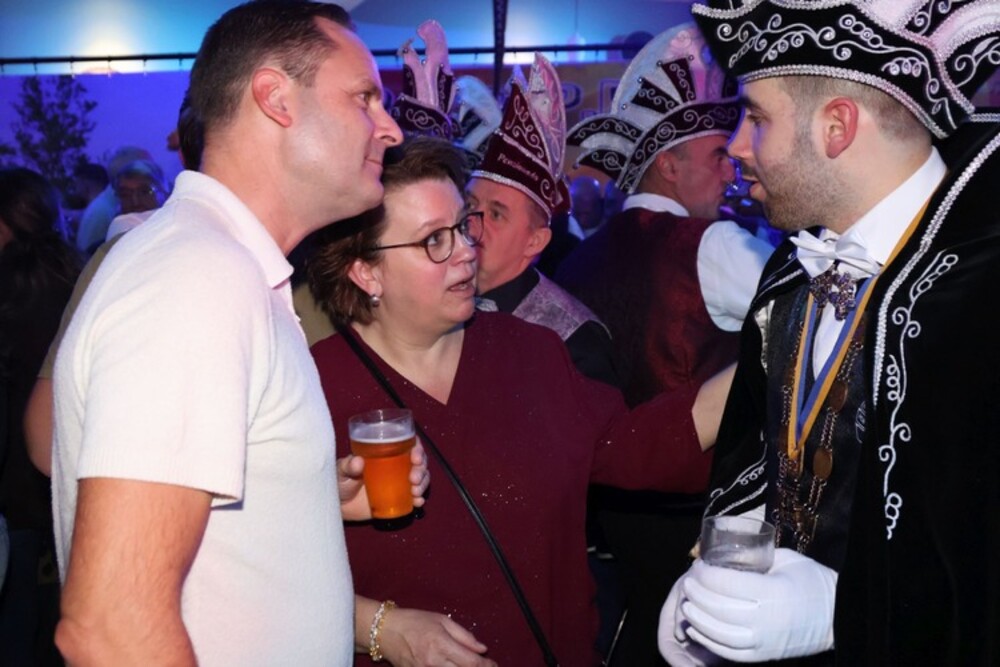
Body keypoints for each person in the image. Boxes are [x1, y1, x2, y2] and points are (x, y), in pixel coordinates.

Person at [50, 2, 408, 664]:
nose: (389, 128)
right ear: (275, 98)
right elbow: (110, 627)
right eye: (364, 98)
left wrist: (302, 495)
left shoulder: (227, 268)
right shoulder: (198, 274)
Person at [306, 135, 736, 666]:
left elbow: (630, 446)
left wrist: (769, 355)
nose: (467, 251)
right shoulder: (311, 388)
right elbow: (256, 569)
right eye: (434, 240)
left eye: (463, 226)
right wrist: (381, 628)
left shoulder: (530, 351)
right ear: (365, 271)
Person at [659, 1, 1000, 664]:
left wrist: (845, 608)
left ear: (836, 127)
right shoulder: (791, 271)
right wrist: (723, 570)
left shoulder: (983, 294)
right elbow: (762, 457)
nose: (737, 146)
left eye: (756, 118)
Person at [555, 24, 774, 665]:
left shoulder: (579, 259)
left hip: (613, 518)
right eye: (717, 157)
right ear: (670, 166)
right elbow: (809, 325)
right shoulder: (716, 244)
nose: (732, 169)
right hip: (705, 516)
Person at [468, 54, 618, 387]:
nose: (473, 223)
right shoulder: (442, 303)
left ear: (535, 241)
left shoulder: (572, 339)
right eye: (470, 205)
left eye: (496, 214)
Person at [0, 167, 81, 667]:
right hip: (59, 470)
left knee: (15, 617)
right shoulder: (74, 273)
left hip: (16, 480)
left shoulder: (12, 287)